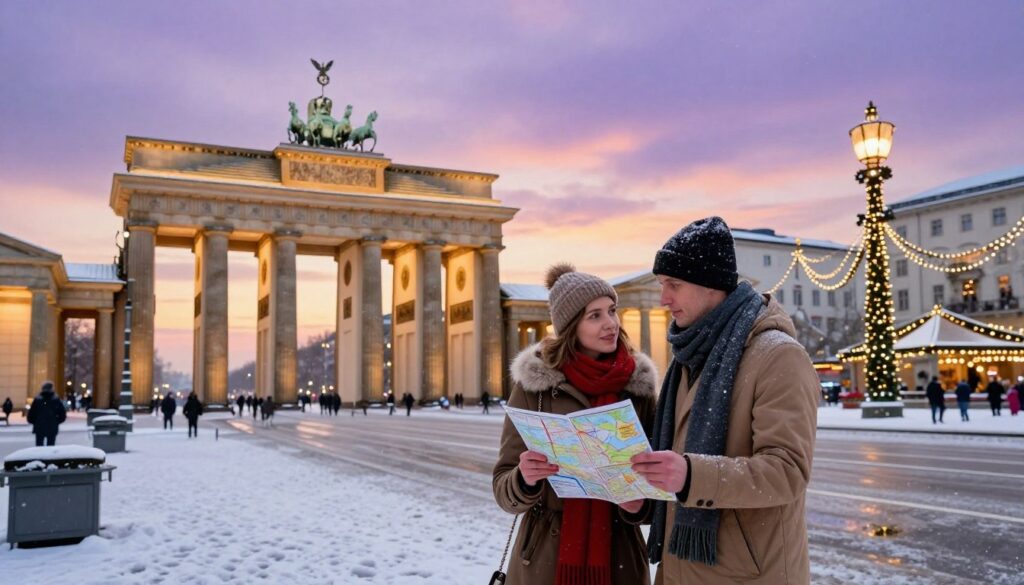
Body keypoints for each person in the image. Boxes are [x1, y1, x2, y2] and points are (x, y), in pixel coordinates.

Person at [628, 217, 819, 584]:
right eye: (661, 285)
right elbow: (677, 470)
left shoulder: (778, 356)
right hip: (683, 570)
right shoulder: (690, 358)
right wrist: (644, 502)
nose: (663, 298)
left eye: (674, 285)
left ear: (711, 286)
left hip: (747, 574)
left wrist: (691, 475)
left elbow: (787, 472)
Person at [493, 263, 658, 585]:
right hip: (544, 559)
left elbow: (661, 490)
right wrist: (524, 480)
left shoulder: (638, 389)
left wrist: (639, 505)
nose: (610, 323)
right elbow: (503, 489)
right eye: (594, 316)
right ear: (570, 326)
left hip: (619, 556)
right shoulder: (533, 388)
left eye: (612, 311)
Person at [27, 381, 67, 446]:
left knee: (39, 446)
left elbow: (31, 415)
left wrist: (36, 422)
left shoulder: (37, 400)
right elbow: (62, 414)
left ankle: (40, 456)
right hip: (52, 426)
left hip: (39, 426)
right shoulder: (56, 400)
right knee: (51, 446)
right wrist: (56, 421)